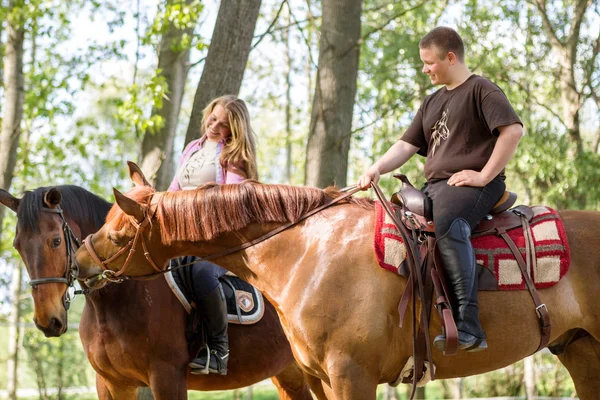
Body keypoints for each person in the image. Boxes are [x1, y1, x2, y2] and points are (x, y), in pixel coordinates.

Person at [358, 27, 523, 352]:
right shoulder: (432, 102)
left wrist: (484, 175)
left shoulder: (482, 90)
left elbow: (513, 131)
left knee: (448, 224)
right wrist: (377, 167)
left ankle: (469, 326)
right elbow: (406, 145)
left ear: (450, 57)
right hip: (435, 186)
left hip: (474, 185)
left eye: (429, 62)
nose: (425, 69)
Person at [168, 95, 258, 374]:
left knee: (202, 274)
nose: (215, 125)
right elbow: (174, 190)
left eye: (223, 124)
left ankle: (219, 351)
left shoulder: (233, 155)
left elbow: (234, 198)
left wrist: (212, 195)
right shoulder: (192, 147)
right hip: (186, 233)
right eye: (213, 117)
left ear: (234, 130)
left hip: (221, 238)